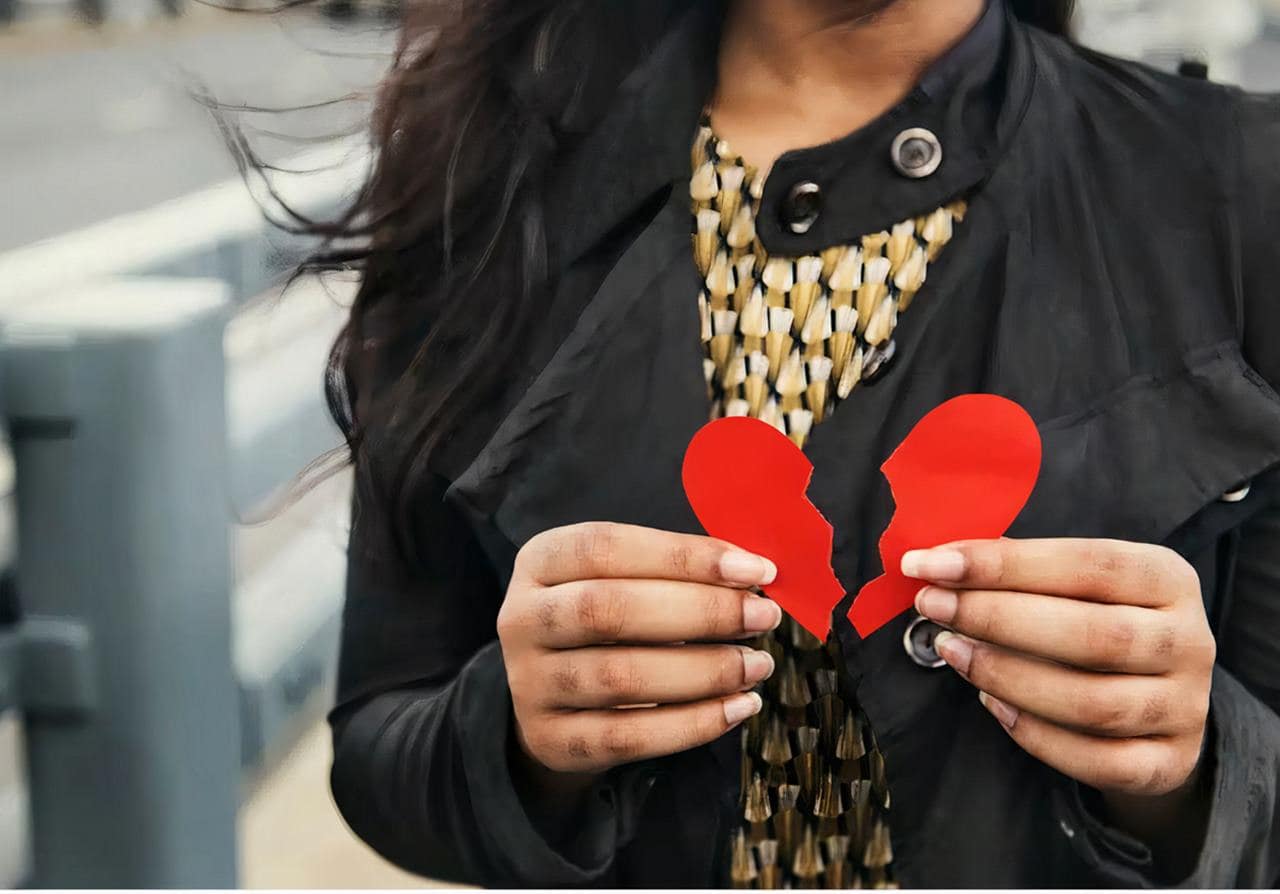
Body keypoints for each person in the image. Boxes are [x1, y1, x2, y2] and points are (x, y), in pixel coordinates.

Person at [320, 0, 1280, 886]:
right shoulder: (483, 180)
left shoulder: (1235, 193)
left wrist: (1188, 768)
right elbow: (378, 744)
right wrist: (521, 738)